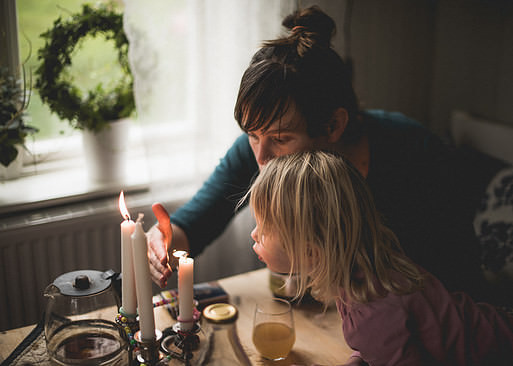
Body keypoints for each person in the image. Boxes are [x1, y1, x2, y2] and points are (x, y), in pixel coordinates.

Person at [148, 6, 507, 304]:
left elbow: (454, 279)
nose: (261, 157)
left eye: (280, 138)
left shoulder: (413, 152)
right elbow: (194, 224)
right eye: (252, 135)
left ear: (334, 125)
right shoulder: (260, 146)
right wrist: (161, 241)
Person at [247, 150, 513, 366]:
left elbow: (381, 335)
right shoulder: (365, 273)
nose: (254, 234)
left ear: (310, 252)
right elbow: (384, 346)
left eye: (264, 228)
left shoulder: (372, 311)